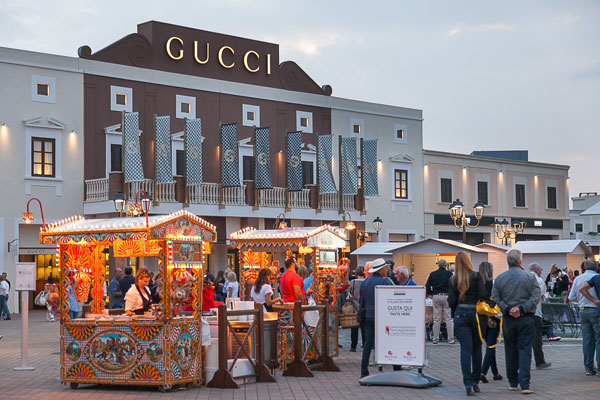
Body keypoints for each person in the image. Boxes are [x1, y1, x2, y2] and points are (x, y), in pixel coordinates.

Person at [492, 249, 540, 395]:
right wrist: (521, 308)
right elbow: (536, 296)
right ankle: (525, 384)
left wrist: (507, 309)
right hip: (526, 318)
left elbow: (495, 297)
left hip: (508, 319)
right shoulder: (530, 277)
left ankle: (513, 382)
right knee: (525, 350)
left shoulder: (499, 279)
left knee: (510, 350)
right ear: (521, 261)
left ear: (508, 262)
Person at [448, 252, 487, 396]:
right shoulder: (477, 276)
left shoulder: (453, 279)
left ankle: (468, 384)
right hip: (475, 314)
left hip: (460, 313)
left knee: (465, 350)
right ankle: (476, 381)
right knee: (477, 349)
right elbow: (483, 295)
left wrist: (454, 312)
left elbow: (451, 300)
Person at [359, 258, 398, 379]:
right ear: (381, 269)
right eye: (385, 268)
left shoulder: (365, 282)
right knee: (391, 342)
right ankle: (396, 368)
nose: (387, 269)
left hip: (368, 316)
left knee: (368, 344)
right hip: (383, 317)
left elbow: (362, 302)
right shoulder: (385, 282)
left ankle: (364, 371)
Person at [571, 259, 600, 375]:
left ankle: (588, 367)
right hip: (595, 309)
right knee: (598, 339)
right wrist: (594, 300)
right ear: (596, 267)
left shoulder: (578, 279)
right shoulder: (597, 277)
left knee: (587, 340)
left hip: (582, 310)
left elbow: (572, 296)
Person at [479, 261, 503, 383]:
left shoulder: (477, 284)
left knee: (489, 343)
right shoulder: (493, 283)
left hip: (481, 317)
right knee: (491, 345)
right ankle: (483, 371)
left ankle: (495, 373)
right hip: (493, 316)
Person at [528, 263, 553, 370]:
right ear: (537, 270)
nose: (541, 271)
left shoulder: (524, 278)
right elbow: (539, 295)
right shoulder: (539, 280)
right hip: (536, 312)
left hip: (523, 313)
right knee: (537, 338)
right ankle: (539, 361)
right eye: (541, 270)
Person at [425, 258, 455, 344]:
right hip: (447, 296)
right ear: (446, 266)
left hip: (436, 296)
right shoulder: (450, 274)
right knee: (448, 319)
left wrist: (430, 294)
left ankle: (435, 339)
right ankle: (451, 339)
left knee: (436, 319)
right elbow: (454, 286)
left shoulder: (432, 274)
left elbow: (427, 286)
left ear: (438, 265)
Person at [349, 266, 366, 352]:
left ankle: (353, 346)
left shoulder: (353, 282)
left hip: (354, 307)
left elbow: (349, 292)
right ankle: (364, 344)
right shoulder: (366, 282)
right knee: (364, 328)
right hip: (364, 308)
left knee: (354, 328)